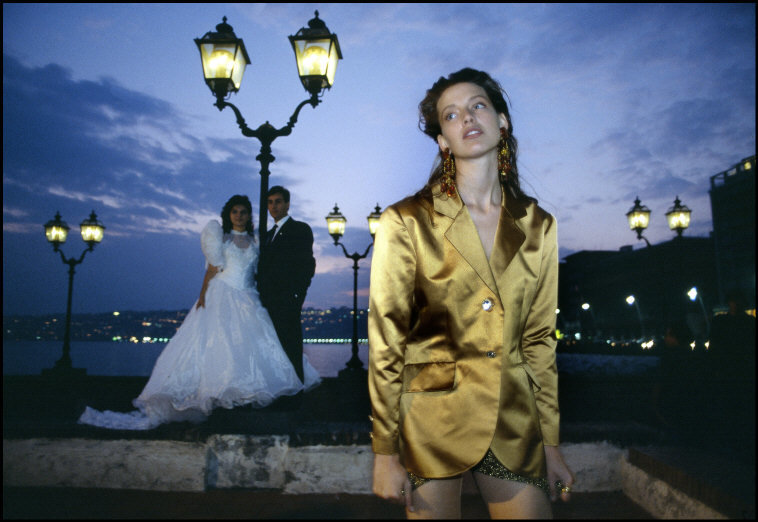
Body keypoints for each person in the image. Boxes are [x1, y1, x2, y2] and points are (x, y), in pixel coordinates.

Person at [368, 68, 575, 518]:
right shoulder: (406, 221)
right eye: (451, 114)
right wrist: (385, 450)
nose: (467, 117)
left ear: (502, 122)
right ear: (443, 140)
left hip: (514, 423)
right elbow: (388, 342)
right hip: (431, 422)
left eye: (478, 105)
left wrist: (551, 445)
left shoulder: (539, 225)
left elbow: (539, 343)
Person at [78, 195, 320, 430]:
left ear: (249, 215)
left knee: (250, 349)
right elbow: (212, 270)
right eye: (235, 212)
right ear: (229, 215)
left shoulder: (256, 240)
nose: (239, 216)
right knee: (222, 346)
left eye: (243, 212)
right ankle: (222, 400)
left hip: (249, 296)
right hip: (223, 294)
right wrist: (203, 296)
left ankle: (242, 399)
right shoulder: (221, 238)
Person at [256, 186, 316, 384]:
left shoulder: (300, 229)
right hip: (267, 303)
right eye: (270, 202)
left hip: (287, 301)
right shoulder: (266, 235)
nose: (274, 206)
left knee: (290, 346)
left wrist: (297, 297)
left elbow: (308, 265)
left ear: (287, 204)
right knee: (273, 349)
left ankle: (295, 394)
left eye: (278, 201)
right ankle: (280, 390)